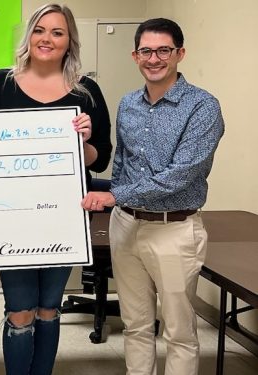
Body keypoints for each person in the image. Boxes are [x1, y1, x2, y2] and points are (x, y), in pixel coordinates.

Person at [82, 18, 224, 375]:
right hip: (126, 225)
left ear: (180, 53)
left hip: (173, 229)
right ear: (135, 55)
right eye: (146, 51)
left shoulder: (202, 106)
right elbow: (122, 165)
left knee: (178, 331)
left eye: (164, 50)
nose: (154, 58)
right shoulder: (128, 104)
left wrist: (113, 196)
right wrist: (114, 199)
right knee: (136, 325)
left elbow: (181, 174)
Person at [0, 4, 112, 374]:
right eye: (40, 30)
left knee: (50, 307)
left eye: (57, 32)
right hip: (12, 218)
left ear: (70, 42)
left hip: (64, 218)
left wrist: (83, 142)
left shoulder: (87, 93)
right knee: (20, 311)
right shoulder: (0, 84)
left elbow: (99, 158)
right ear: (29, 36)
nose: (47, 39)